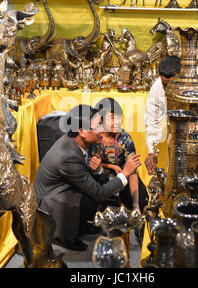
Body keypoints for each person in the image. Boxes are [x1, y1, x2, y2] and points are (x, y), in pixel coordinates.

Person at [34, 104, 141, 251]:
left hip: (62, 189)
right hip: (49, 201)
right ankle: (62, 235)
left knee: (93, 191)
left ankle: (81, 225)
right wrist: (125, 173)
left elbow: (94, 182)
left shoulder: (74, 141)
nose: (103, 130)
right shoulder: (67, 156)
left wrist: (98, 171)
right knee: (94, 195)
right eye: (98, 126)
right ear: (82, 131)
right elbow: (99, 192)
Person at [144, 55, 198, 174]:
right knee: (175, 176)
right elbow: (152, 120)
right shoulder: (156, 88)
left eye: (171, 84)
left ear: (181, 74)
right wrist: (152, 152)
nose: (167, 89)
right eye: (164, 84)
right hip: (176, 135)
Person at [88, 98, 149, 213]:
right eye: (112, 118)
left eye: (119, 117)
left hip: (123, 176)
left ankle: (122, 200)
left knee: (143, 202)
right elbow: (90, 162)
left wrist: (136, 205)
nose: (117, 122)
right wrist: (111, 166)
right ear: (100, 120)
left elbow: (132, 172)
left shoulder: (125, 138)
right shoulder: (94, 135)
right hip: (100, 176)